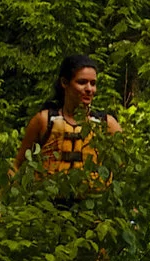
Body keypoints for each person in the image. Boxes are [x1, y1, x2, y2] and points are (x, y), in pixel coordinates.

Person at [14, 55, 122, 184]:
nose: (89, 89)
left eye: (93, 83)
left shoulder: (107, 124)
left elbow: (125, 169)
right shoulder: (44, 120)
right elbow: (17, 165)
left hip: (94, 196)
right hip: (50, 195)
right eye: (82, 82)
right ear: (64, 82)